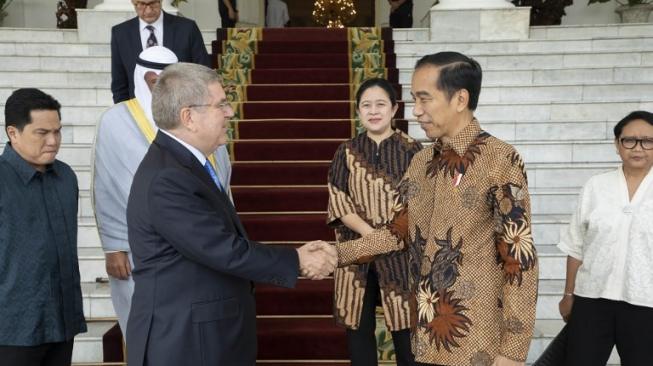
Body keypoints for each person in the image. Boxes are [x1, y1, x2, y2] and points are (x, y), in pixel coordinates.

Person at [333, 52, 538, 366]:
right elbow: (397, 232)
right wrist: (336, 254)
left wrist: (512, 351)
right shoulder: (420, 162)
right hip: (426, 337)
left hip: (477, 344)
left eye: (424, 99)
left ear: (459, 99)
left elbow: (519, 257)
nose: (416, 111)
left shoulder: (500, 160)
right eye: (414, 99)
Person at [125, 62, 336, 366]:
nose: (230, 112)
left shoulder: (185, 164)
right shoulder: (167, 178)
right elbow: (222, 249)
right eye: (220, 104)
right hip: (186, 343)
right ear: (189, 117)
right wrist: (298, 260)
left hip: (202, 336)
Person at [94, 46, 233, 340]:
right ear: (142, 77)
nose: (157, 85)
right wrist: (113, 246)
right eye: (152, 79)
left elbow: (221, 180)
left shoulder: (203, 122)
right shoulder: (115, 119)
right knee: (148, 330)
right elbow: (106, 184)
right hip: (139, 246)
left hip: (201, 239)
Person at [327, 78, 421, 366]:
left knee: (407, 337)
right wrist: (370, 236)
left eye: (381, 104)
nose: (373, 111)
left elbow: (416, 202)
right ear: (358, 111)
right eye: (366, 105)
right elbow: (338, 199)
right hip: (357, 254)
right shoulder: (346, 150)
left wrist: (387, 239)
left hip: (401, 256)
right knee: (359, 336)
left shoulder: (414, 150)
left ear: (394, 109)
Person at [557, 111, 653, 366]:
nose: (638, 148)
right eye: (629, 140)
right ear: (617, 144)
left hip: (646, 302)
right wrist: (569, 294)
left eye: (647, 141)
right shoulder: (596, 186)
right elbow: (576, 244)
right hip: (592, 299)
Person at [0, 88, 87, 365]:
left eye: (58, 132)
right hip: (13, 330)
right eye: (42, 133)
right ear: (13, 133)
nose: (53, 141)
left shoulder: (66, 177)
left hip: (63, 323)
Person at [111, 0, 210, 104]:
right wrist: (125, 114)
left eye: (153, 3)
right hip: (138, 112)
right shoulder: (120, 33)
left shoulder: (187, 28)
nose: (148, 10)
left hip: (182, 108)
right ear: (133, 3)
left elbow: (203, 72)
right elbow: (119, 84)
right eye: (142, 4)